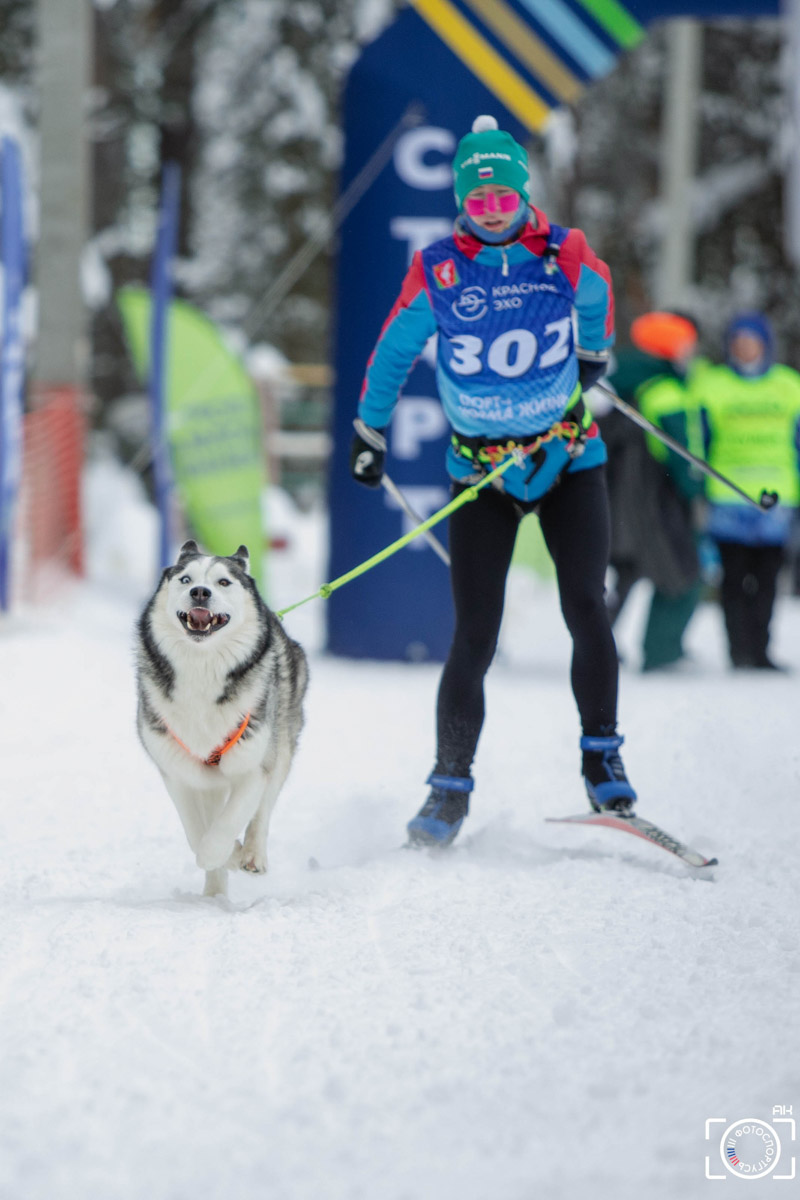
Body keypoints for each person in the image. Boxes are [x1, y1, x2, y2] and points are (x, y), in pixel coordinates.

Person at [349, 115, 636, 847]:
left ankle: (601, 756)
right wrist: (370, 429)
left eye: (502, 196)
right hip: (481, 473)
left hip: (568, 459)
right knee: (475, 632)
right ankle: (449, 787)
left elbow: (599, 294)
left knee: (586, 606)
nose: (492, 210)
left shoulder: (560, 252)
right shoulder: (440, 268)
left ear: (521, 191)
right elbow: (392, 351)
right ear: (461, 204)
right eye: (477, 201)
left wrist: (595, 352)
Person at [693, 312, 800, 670]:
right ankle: (738, 649)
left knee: (769, 579)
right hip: (728, 496)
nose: (745, 349)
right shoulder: (712, 383)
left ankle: (761, 650)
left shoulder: (789, 385)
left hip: (777, 499)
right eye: (738, 343)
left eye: (751, 342)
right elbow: (700, 438)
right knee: (734, 579)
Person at [601, 311, 705, 671]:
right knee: (683, 573)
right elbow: (682, 455)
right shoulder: (665, 389)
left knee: (626, 575)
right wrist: (694, 488)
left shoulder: (617, 383)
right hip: (656, 504)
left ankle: (595, 646)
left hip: (618, 501)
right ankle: (663, 653)